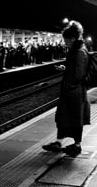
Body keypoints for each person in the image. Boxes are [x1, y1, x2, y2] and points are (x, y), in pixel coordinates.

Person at [42, 20, 90, 157]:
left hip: (74, 94)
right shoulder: (76, 50)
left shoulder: (80, 52)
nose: (65, 43)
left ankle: (76, 146)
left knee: (75, 119)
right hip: (71, 92)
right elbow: (75, 70)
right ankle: (59, 142)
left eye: (67, 40)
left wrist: (68, 84)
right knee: (63, 118)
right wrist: (66, 69)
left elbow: (78, 75)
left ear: (73, 38)